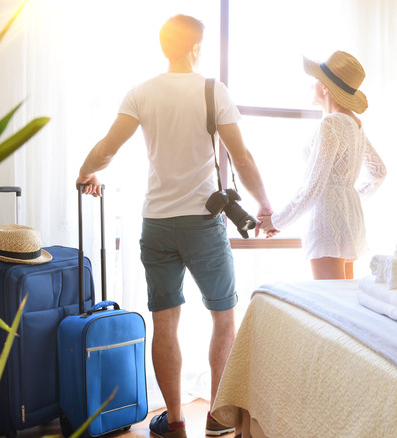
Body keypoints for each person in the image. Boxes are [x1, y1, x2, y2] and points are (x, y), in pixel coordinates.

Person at [76, 14, 272, 438]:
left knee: (165, 321)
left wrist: (85, 172)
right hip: (202, 224)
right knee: (223, 317)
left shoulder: (141, 93)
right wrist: (266, 207)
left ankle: (177, 421)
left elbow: (108, 148)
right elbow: (242, 157)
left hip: (157, 224)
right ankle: (219, 420)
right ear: (196, 47)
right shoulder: (211, 90)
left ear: (164, 46)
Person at [257, 51, 386, 280]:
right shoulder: (354, 124)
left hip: (328, 221)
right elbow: (378, 172)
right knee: (342, 302)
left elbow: (314, 185)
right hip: (349, 218)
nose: (312, 86)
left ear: (326, 87)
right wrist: (349, 196)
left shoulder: (332, 123)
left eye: (316, 80)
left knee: (330, 304)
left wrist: (277, 221)